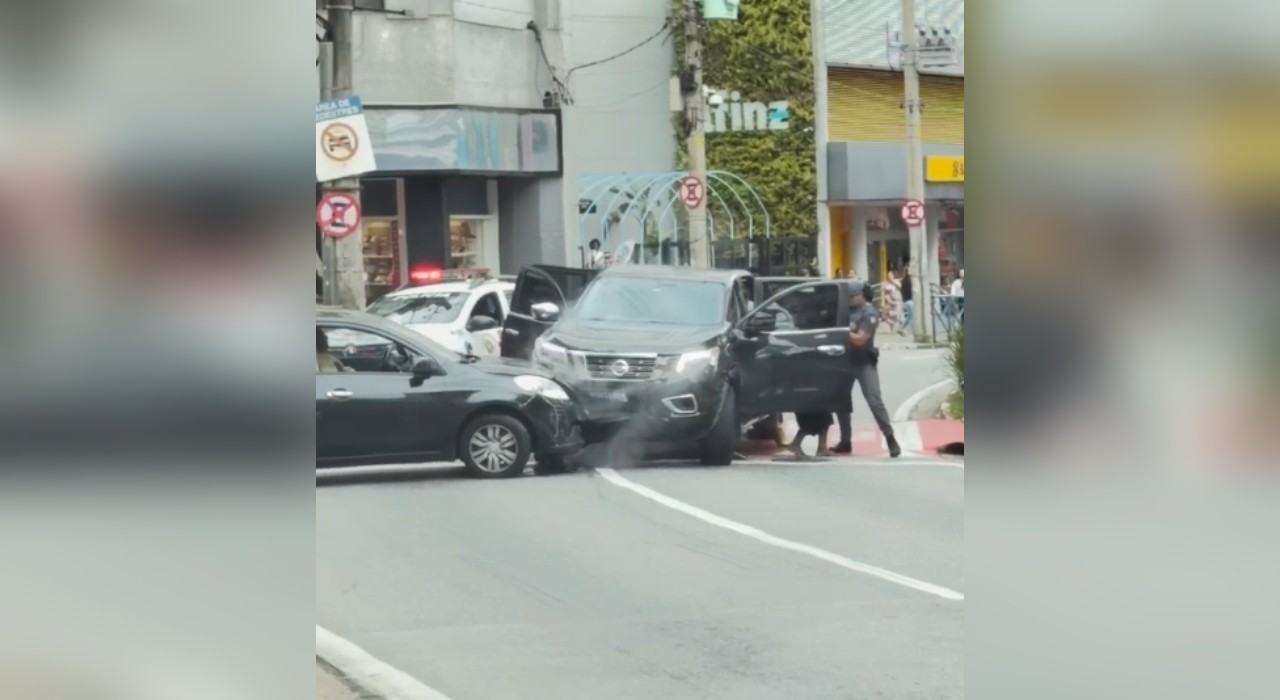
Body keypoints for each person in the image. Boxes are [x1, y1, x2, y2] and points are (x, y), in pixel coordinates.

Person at [841, 281, 902, 457]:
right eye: (849, 296)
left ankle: (890, 437)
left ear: (863, 295)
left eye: (853, 295)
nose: (850, 298)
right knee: (841, 402)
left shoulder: (870, 313)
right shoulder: (847, 310)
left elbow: (861, 339)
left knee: (874, 400)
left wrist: (841, 331)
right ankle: (845, 441)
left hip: (863, 361)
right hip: (844, 360)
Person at [898, 263, 916, 336]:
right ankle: (913, 331)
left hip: (907, 300)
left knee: (910, 316)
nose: (911, 271)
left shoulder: (906, 281)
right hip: (909, 300)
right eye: (910, 270)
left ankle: (902, 328)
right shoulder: (907, 281)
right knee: (912, 316)